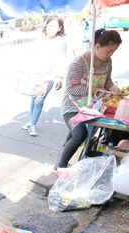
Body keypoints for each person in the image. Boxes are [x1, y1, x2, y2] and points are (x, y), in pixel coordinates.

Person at [56, 29, 122, 170]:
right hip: (72, 106)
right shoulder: (78, 63)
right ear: (97, 46)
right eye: (108, 51)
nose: (110, 55)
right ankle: (61, 167)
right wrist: (94, 90)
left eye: (113, 52)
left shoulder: (108, 62)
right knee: (80, 134)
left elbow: (107, 80)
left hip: (93, 107)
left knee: (74, 136)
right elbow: (72, 88)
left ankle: (60, 163)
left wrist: (112, 88)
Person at [20, 16, 67, 137]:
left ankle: (33, 124)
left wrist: (59, 77)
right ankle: (31, 121)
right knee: (33, 97)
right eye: (49, 25)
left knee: (40, 99)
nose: (50, 28)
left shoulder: (60, 42)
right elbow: (31, 56)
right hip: (35, 74)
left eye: (54, 26)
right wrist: (26, 71)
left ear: (59, 28)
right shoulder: (39, 39)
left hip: (50, 76)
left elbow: (61, 60)